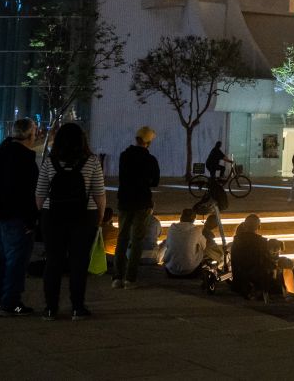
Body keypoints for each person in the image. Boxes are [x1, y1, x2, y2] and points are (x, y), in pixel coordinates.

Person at [35, 123, 106, 321]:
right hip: (84, 216)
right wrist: (99, 217)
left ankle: (50, 308)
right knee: (79, 262)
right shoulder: (91, 161)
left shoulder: (50, 161)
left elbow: (40, 193)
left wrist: (45, 212)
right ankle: (77, 307)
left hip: (53, 216)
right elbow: (99, 193)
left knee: (53, 262)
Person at [0, 118, 39, 316]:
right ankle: (10, 303)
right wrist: (31, 219)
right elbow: (29, 192)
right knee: (16, 262)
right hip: (18, 217)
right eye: (34, 132)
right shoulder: (25, 159)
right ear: (29, 135)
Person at [113, 126, 160, 290]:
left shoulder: (124, 156)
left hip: (125, 201)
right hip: (142, 202)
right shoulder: (150, 159)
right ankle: (130, 279)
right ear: (148, 142)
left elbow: (122, 177)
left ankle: (117, 277)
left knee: (122, 238)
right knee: (137, 240)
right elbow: (155, 182)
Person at [230, 214, 282, 298]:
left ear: (245, 225)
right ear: (259, 226)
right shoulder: (261, 242)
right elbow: (267, 262)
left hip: (238, 281)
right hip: (256, 281)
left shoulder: (236, 241)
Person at [162, 208, 207, 277]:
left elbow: (168, 245)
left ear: (181, 217)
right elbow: (204, 246)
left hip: (171, 271)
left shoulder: (172, 228)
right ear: (194, 219)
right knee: (200, 247)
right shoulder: (196, 230)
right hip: (191, 272)